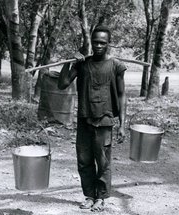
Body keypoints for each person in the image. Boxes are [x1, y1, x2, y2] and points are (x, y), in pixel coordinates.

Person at [58, 26, 127, 212]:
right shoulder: (82, 63)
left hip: (104, 120)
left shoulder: (116, 66)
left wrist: (122, 123)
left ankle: (101, 198)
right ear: (91, 42)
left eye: (102, 43)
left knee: (103, 162)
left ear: (108, 44)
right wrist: (69, 63)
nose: (98, 45)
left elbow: (121, 95)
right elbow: (63, 84)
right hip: (84, 119)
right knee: (84, 160)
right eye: (95, 42)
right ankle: (89, 196)